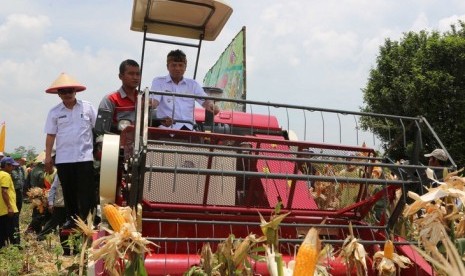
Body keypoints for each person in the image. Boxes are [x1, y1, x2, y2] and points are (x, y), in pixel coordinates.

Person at [44, 73, 97, 229]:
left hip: (85, 157)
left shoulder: (87, 107)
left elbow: (99, 128)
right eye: (63, 91)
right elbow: (51, 135)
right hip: (64, 158)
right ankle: (71, 218)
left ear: (75, 91)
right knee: (68, 190)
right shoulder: (54, 112)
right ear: (59, 94)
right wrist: (48, 156)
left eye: (69, 91)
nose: (67, 94)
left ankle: (88, 219)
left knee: (86, 191)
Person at [150, 49, 219, 130]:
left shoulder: (193, 84)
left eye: (180, 65)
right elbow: (154, 101)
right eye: (174, 65)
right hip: (166, 129)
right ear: (167, 67)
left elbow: (205, 101)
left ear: (185, 67)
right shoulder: (159, 82)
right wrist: (149, 103)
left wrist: (211, 105)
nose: (177, 68)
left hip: (189, 129)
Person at [98, 59, 141, 132]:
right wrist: (121, 126)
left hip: (141, 141)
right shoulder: (110, 99)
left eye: (138, 74)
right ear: (120, 76)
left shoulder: (144, 99)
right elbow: (102, 126)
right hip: (117, 141)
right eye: (131, 74)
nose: (135, 77)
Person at [37, 174, 66, 240]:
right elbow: (53, 188)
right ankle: (41, 235)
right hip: (60, 204)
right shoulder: (59, 174)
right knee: (54, 222)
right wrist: (50, 203)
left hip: (71, 206)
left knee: (64, 226)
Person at [0, 157, 19, 247]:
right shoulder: (6, 175)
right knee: (14, 232)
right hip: (9, 209)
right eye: (12, 166)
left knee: (2, 232)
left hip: (1, 209)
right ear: (7, 165)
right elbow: (4, 191)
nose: (13, 168)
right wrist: (9, 207)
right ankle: (16, 249)